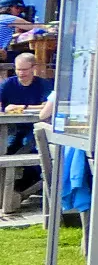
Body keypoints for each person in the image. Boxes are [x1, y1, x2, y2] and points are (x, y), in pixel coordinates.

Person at [3, 52, 52, 185]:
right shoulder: (8, 84)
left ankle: (34, 183)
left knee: (32, 144)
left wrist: (21, 107)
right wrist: (5, 109)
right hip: (11, 127)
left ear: (33, 68)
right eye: (18, 69)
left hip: (36, 126)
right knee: (8, 146)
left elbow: (47, 106)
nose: (21, 73)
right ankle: (10, 185)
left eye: (24, 69)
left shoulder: (43, 84)